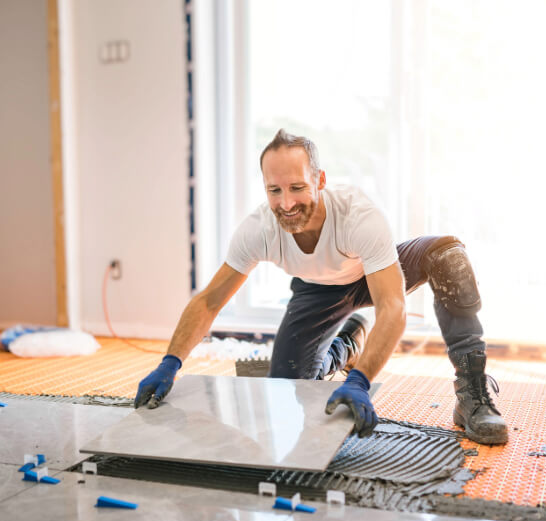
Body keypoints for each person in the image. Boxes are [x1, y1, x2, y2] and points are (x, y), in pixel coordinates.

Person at [134, 129, 508, 445]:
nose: (287, 203)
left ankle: (472, 392)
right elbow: (208, 303)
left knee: (449, 256)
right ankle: (345, 346)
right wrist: (170, 362)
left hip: (374, 273)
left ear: (320, 181)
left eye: (297, 187)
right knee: (288, 391)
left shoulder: (358, 216)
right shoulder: (258, 230)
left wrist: (361, 381)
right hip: (317, 292)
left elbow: (392, 307)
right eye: (274, 190)